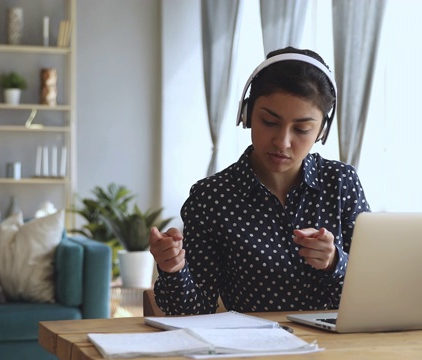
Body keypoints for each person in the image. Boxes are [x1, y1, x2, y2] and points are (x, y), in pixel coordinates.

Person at [149, 46, 370, 315]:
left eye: (301, 129)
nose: (282, 142)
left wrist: (335, 262)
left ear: (322, 130)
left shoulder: (340, 183)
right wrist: (173, 270)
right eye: (269, 121)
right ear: (247, 115)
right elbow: (192, 312)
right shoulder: (212, 197)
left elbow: (376, 289)